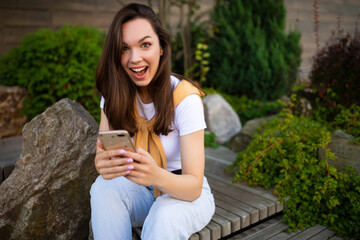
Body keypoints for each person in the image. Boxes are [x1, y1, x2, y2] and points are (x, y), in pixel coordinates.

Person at [90, 3, 215, 240]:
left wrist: (156, 175)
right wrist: (102, 164)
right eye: (124, 48)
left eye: (145, 45)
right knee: (102, 188)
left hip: (184, 194)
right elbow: (104, 153)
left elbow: (194, 186)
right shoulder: (113, 95)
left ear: (161, 48)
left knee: (164, 215)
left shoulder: (184, 98)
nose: (134, 58)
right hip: (139, 190)